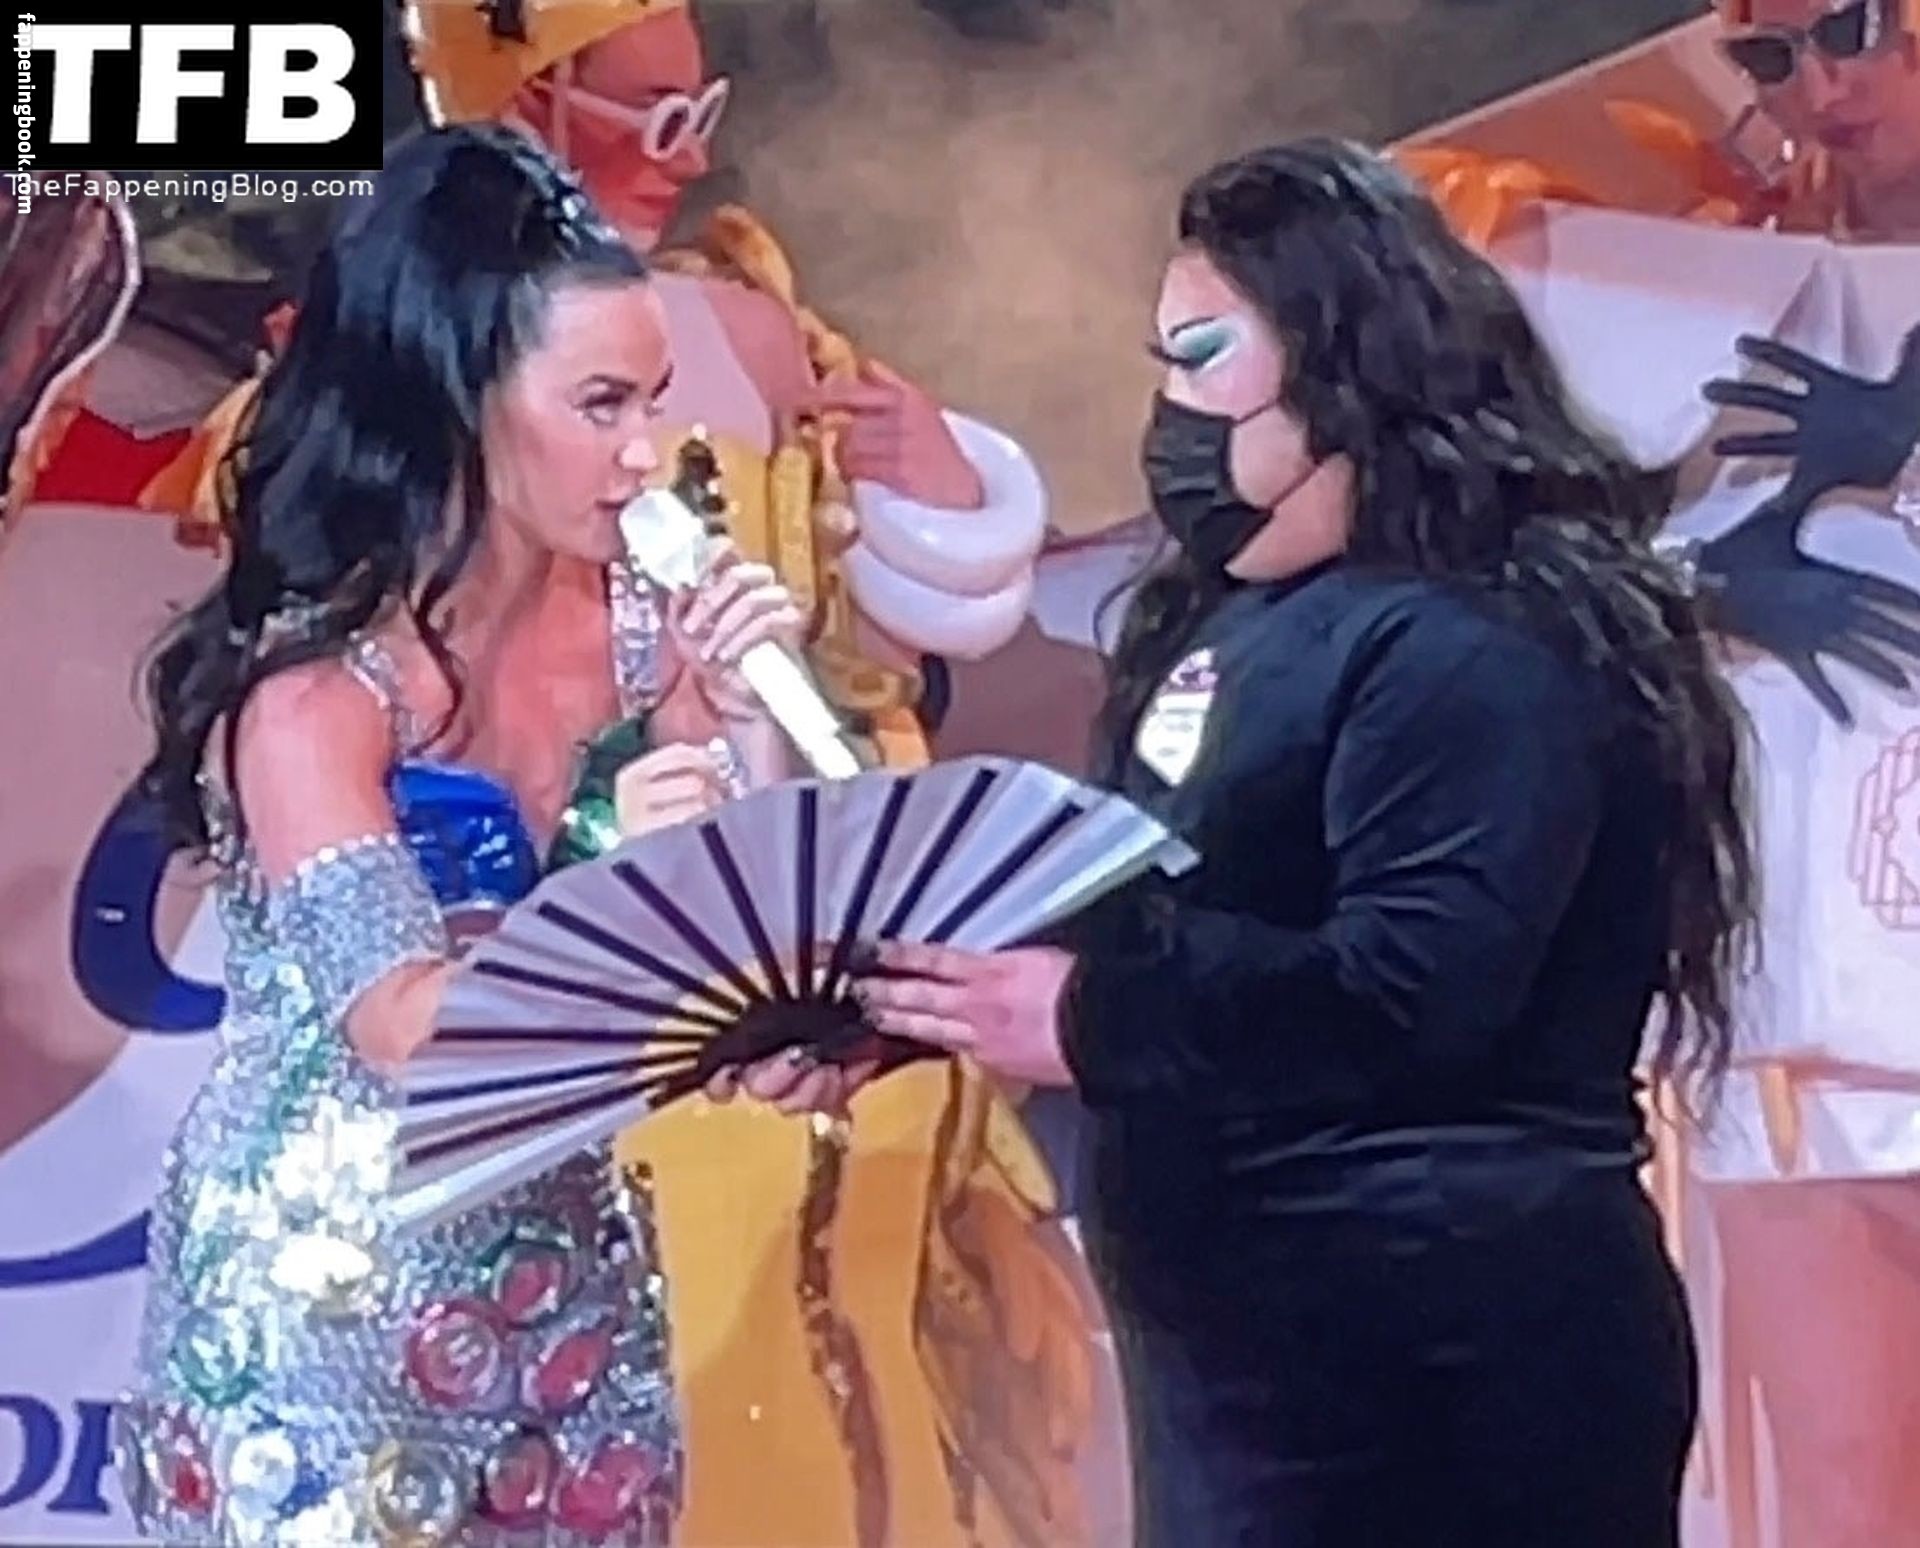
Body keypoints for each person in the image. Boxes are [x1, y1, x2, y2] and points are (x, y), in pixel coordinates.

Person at [787, 139, 1760, 1545]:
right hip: (1243, 1390)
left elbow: (1410, 992)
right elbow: (1148, 907)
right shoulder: (1227, 620)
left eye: (1203, 359)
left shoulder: (1494, 636)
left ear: (1343, 362)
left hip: (1450, 1374)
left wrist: (1086, 1017)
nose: (1170, 413)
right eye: (1165, 366)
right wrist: (916, 1006)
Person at [112, 123, 814, 1546]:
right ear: (461, 398)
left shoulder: (656, 637)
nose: (645, 454)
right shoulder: (315, 698)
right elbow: (407, 1030)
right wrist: (616, 877)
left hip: (565, 1307)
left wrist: (758, 726)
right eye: (601, 404)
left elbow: (755, 942)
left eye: (655, 401)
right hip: (323, 1326)